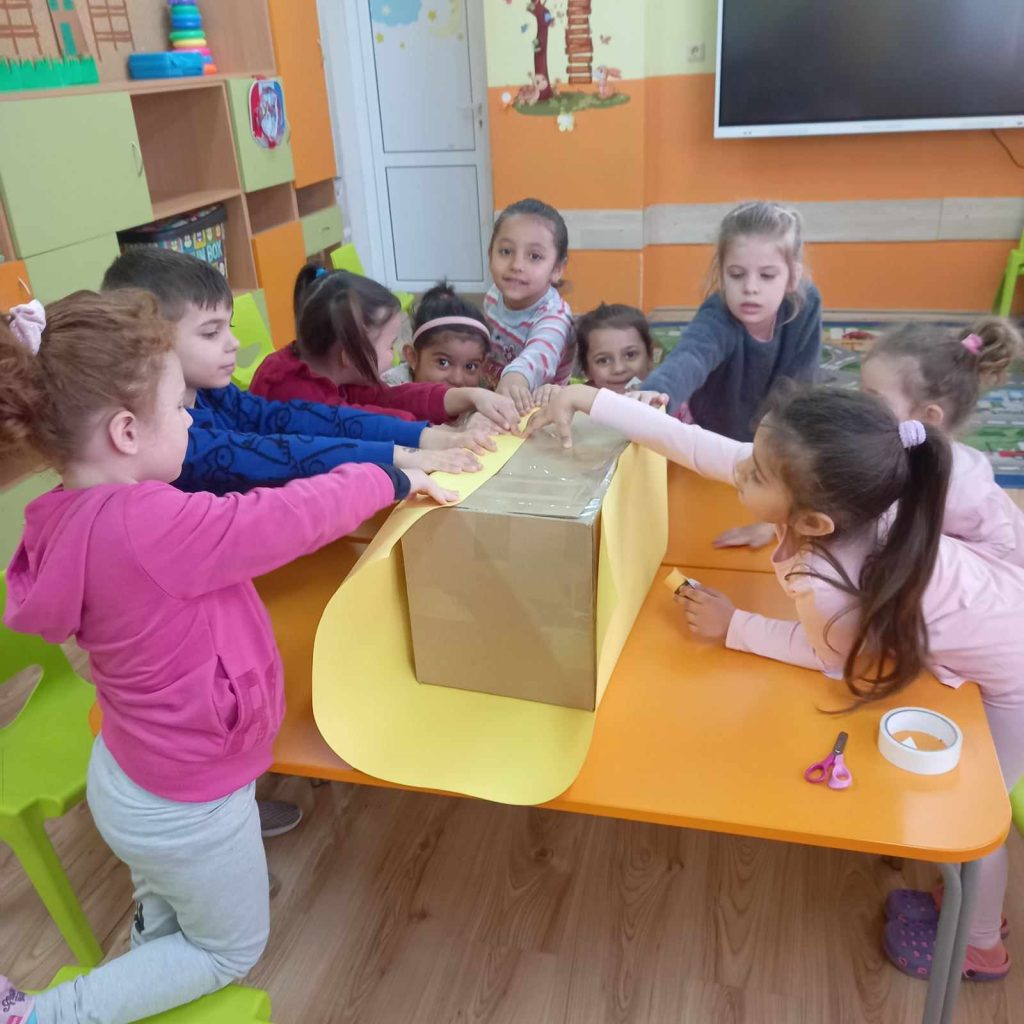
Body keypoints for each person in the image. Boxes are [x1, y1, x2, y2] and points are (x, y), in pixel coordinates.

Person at [0, 291, 454, 1024]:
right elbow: (279, 519)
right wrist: (387, 477)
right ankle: (41, 1016)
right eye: (180, 406)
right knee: (224, 951)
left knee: (164, 900)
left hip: (131, 771)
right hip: (188, 796)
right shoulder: (147, 524)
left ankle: (144, 961)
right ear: (124, 431)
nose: (191, 418)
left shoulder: (62, 513)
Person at [530, 381, 1024, 981]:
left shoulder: (829, 581)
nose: (741, 470)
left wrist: (734, 625)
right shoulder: (838, 497)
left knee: (978, 816)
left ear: (811, 520)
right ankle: (967, 909)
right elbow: (698, 446)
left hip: (1013, 674)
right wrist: (590, 399)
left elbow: (831, 659)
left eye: (756, 474)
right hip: (1000, 623)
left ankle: (980, 944)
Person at [101, 249, 490, 499]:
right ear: (150, 341)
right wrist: (400, 456)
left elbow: (289, 420)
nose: (232, 343)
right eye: (210, 333)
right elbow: (271, 453)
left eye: (227, 327)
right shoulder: (163, 436)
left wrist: (420, 438)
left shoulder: (209, 391)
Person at [250, 267, 518, 432]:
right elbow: (363, 425)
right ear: (348, 355)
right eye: (389, 346)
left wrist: (470, 395)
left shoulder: (331, 367)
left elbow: (390, 398)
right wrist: (436, 434)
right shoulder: (294, 391)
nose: (395, 355)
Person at [861, 316, 1024, 565]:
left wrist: (920, 554)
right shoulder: (901, 452)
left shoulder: (961, 486)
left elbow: (1001, 546)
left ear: (929, 417)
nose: (860, 406)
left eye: (875, 400)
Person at [484, 197, 575, 415]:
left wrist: (515, 378)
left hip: (542, 408)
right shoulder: (494, 295)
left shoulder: (555, 317)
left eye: (534, 256)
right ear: (490, 253)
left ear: (557, 269)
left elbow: (539, 357)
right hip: (496, 390)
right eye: (506, 251)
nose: (516, 265)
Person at [382, 282, 489, 389]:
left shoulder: (478, 391)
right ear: (413, 357)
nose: (457, 379)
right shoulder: (390, 390)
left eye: (470, 366)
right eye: (443, 362)